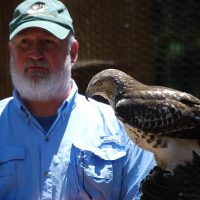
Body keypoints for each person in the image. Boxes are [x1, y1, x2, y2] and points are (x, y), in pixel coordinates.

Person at [0, 0, 156, 199]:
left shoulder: (122, 129)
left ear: (72, 52)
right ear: (11, 52)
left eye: (48, 41)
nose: (35, 54)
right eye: (25, 42)